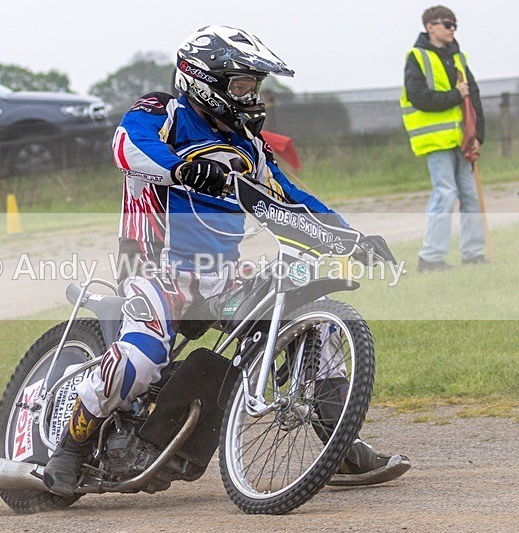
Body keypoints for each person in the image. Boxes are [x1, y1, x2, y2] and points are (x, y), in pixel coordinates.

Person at [43, 25, 410, 496]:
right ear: (203, 80)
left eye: (254, 85)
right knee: (143, 356)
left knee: (311, 320)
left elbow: (290, 200)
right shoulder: (162, 111)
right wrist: (181, 167)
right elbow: (126, 147)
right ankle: (67, 449)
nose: (251, 95)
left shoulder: (247, 143)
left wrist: (349, 237)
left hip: (219, 277)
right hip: (153, 269)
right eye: (240, 85)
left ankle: (337, 444)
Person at [401, 5, 487, 272]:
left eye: (454, 25)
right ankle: (430, 258)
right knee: (446, 194)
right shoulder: (416, 57)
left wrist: (478, 136)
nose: (452, 29)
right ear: (431, 27)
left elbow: (473, 96)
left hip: (463, 140)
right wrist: (454, 94)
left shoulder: (458, 57)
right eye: (447, 24)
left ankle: (473, 254)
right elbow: (419, 97)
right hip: (436, 142)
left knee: (471, 195)